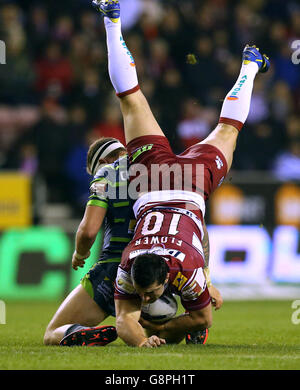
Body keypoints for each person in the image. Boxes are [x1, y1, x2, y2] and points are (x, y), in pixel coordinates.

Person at [92, 0, 270, 348]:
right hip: (151, 180)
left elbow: (127, 320)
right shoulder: (142, 263)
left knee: (227, 127)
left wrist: (149, 335)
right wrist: (199, 290)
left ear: (164, 277)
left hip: (184, 185)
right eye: (148, 295)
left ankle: (249, 66)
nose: (145, 299)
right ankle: (112, 22)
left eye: (149, 293)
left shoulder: (138, 267)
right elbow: (201, 308)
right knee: (130, 98)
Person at [44, 136, 135, 346]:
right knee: (157, 330)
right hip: (159, 264)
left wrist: (80, 253)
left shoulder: (106, 173)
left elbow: (88, 231)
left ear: (101, 163)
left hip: (115, 268)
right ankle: (187, 324)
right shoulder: (157, 169)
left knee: (52, 333)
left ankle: (81, 332)